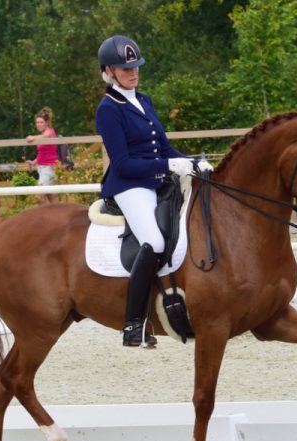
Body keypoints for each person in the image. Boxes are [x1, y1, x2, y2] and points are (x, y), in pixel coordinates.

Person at [95, 35, 213, 347]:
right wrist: (168, 166)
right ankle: (133, 323)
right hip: (129, 185)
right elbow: (122, 164)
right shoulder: (108, 109)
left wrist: (191, 161)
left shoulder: (143, 100)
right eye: (125, 68)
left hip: (158, 179)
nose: (133, 72)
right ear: (109, 70)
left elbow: (163, 146)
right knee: (154, 240)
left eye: (135, 66)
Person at [24, 107, 59, 205]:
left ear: (47, 123)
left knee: (39, 194)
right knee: (51, 196)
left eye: (41, 122)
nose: (39, 124)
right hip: (42, 167)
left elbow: (44, 136)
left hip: (49, 168)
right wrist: (33, 162)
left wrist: (32, 137)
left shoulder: (50, 132)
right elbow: (42, 153)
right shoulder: (41, 135)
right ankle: (55, 217)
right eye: (37, 122)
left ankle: (44, 216)